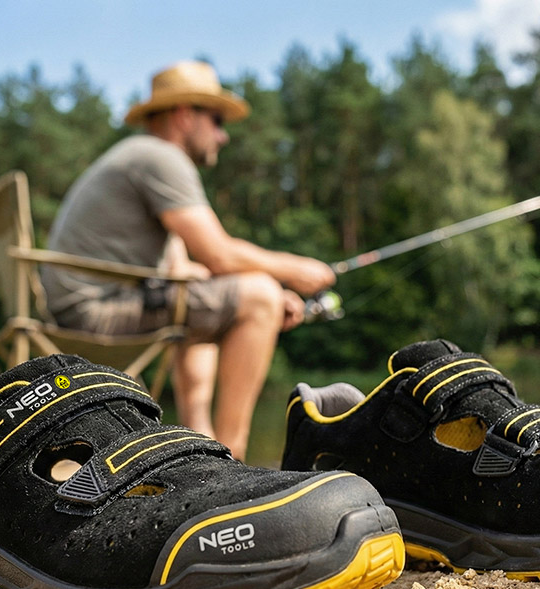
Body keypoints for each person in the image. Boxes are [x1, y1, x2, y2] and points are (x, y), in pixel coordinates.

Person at [41, 61, 335, 459]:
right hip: (94, 313)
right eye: (216, 120)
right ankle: (233, 460)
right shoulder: (161, 157)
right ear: (184, 115)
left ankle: (201, 442)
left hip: (81, 308)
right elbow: (217, 253)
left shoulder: (139, 155)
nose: (223, 135)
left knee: (219, 302)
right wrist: (296, 271)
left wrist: (245, 292)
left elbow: (188, 273)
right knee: (260, 297)